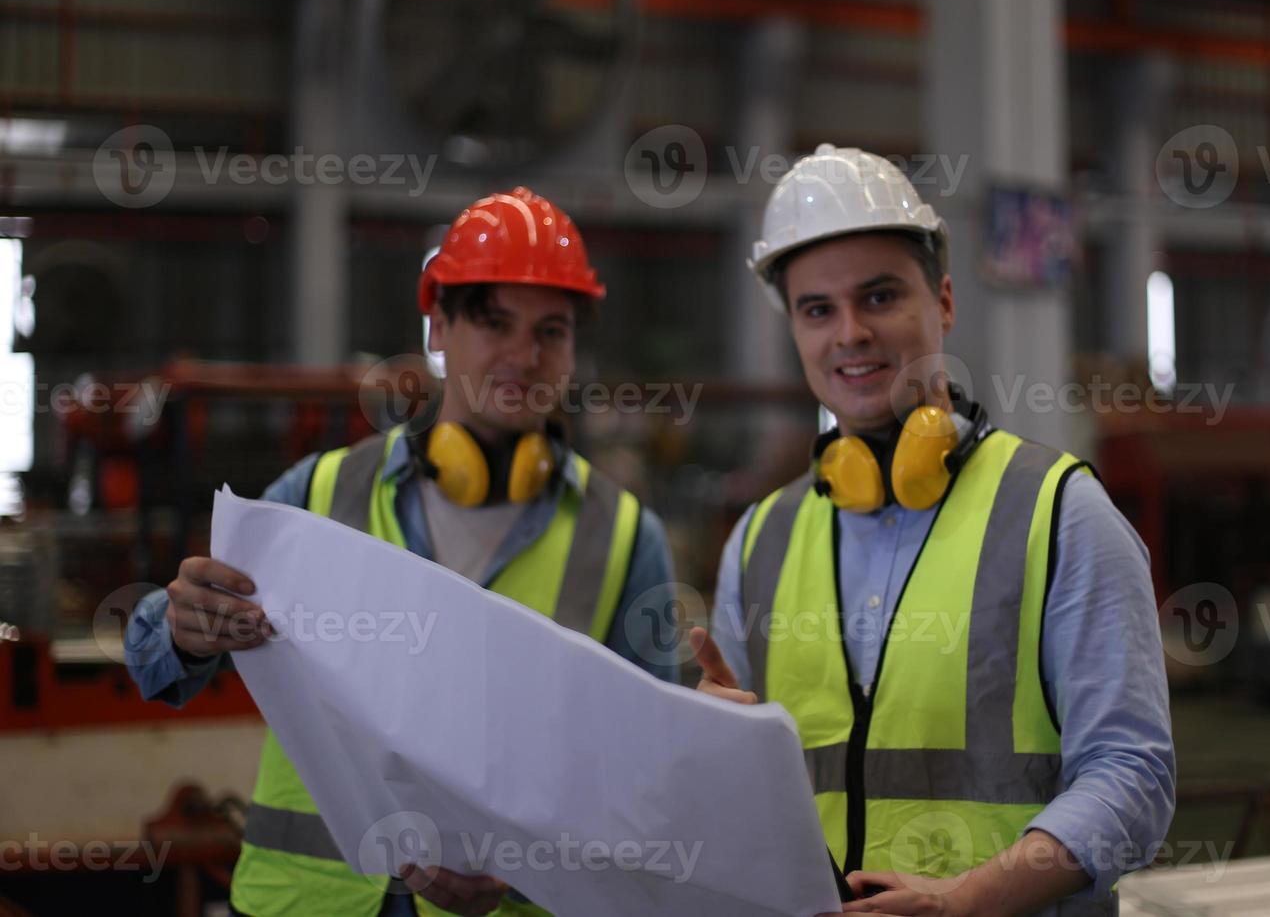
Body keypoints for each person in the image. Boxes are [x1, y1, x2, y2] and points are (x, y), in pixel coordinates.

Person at [125, 187, 677, 917]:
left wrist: (526, 865)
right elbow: (150, 660)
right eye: (493, 321)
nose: (524, 354)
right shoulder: (322, 494)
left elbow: (643, 776)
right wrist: (182, 627)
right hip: (309, 903)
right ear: (438, 328)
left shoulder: (625, 537)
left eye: (553, 330)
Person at [692, 145, 1175, 916]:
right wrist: (712, 751)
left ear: (943, 301)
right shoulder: (760, 541)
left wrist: (969, 901)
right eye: (818, 309)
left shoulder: (1058, 514)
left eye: (879, 297)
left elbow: (1134, 777)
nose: (849, 332)